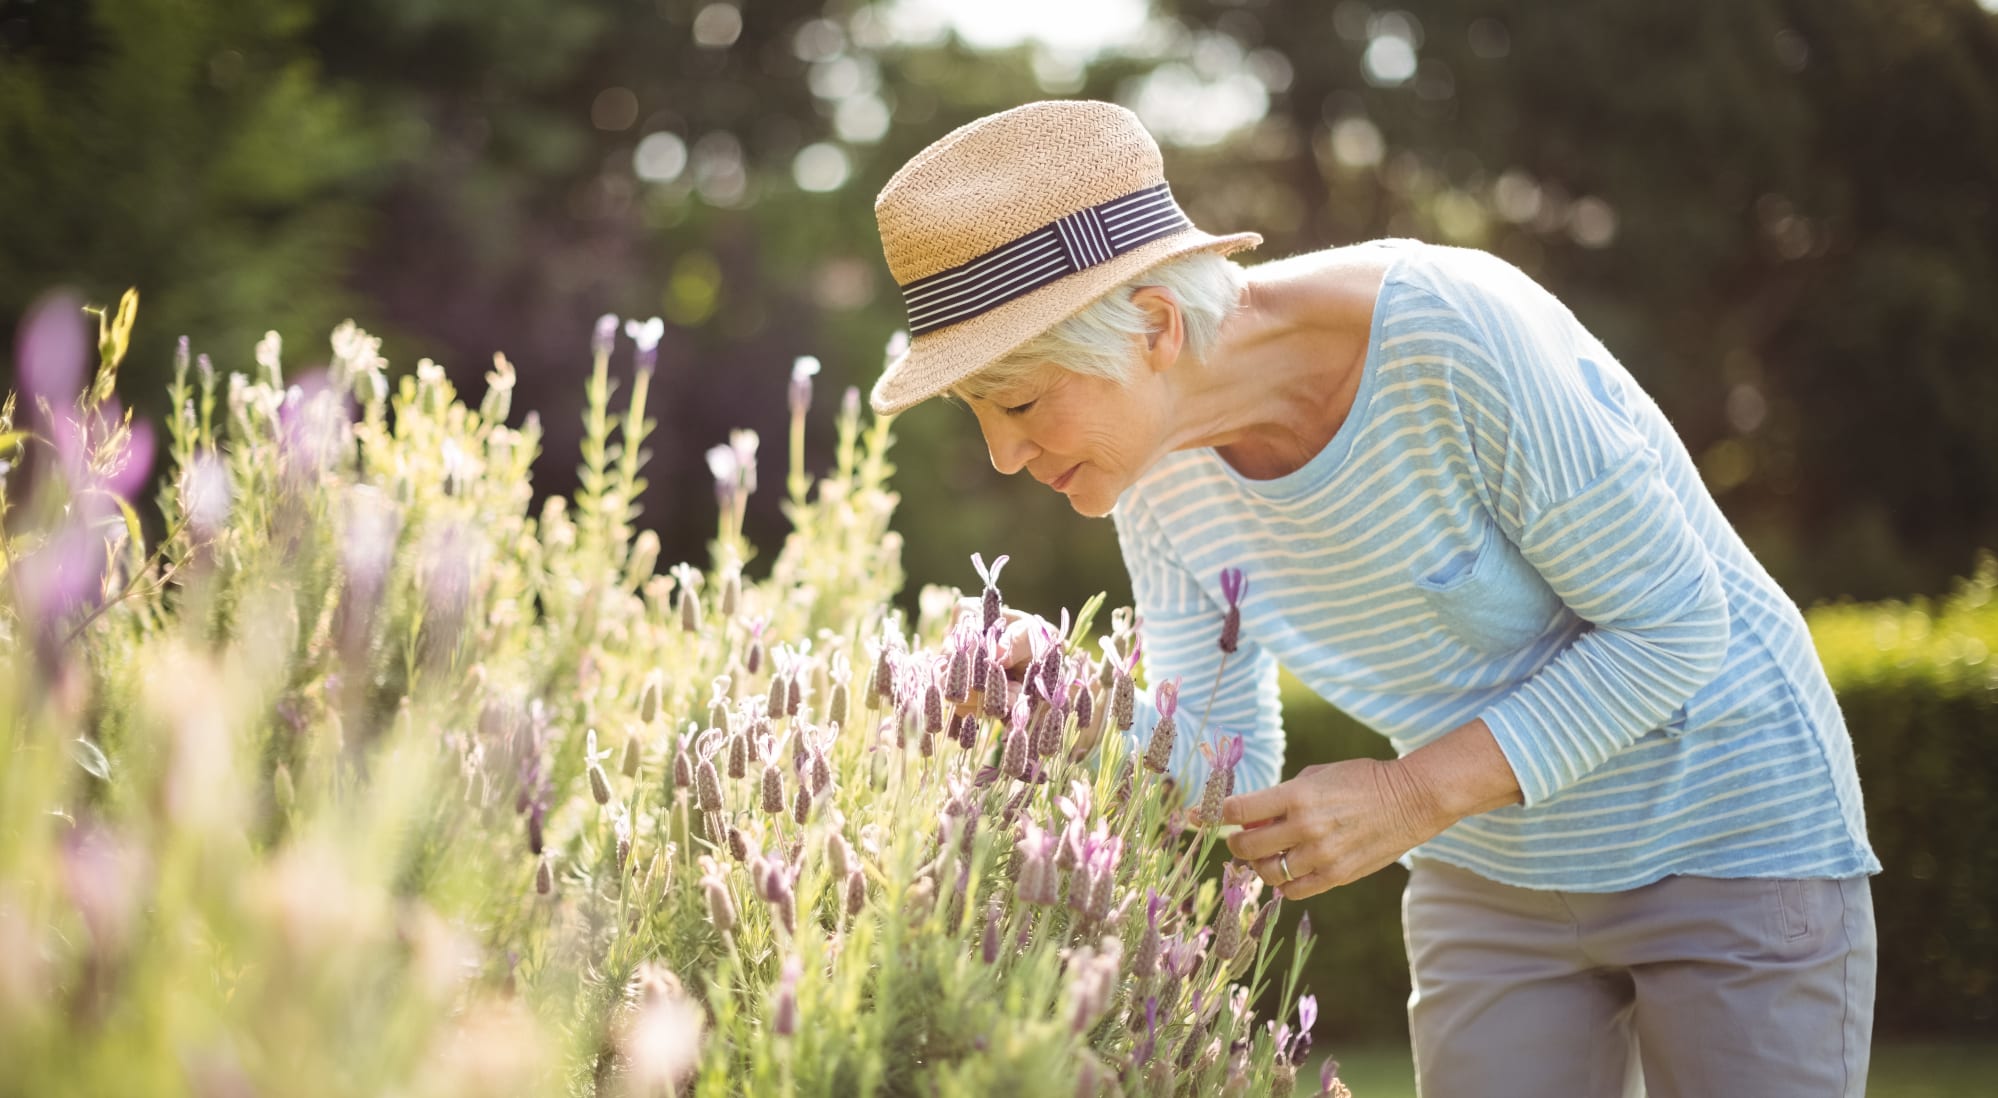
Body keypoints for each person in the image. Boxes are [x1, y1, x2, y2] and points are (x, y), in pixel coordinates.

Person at [866, 99, 1879, 1097]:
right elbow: (1221, 771)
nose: (1003, 455)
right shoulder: (1159, 476)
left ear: (1155, 328)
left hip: (1730, 833)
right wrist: (1070, 708)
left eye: (1023, 401)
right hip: (1493, 879)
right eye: (980, 413)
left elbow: (1674, 626)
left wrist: (1407, 796)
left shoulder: (1452, 337)